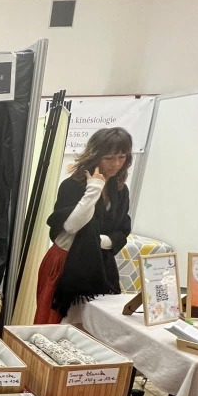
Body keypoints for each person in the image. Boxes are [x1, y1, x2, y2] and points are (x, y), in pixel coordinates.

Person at [35, 127, 132, 323]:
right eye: (109, 158)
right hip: (65, 262)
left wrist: (100, 242)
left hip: (99, 264)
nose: (116, 164)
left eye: (122, 157)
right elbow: (71, 226)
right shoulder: (72, 185)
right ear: (96, 156)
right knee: (55, 322)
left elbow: (122, 229)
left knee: (93, 325)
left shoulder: (120, 190)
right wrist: (93, 189)